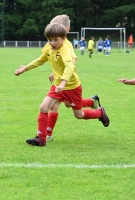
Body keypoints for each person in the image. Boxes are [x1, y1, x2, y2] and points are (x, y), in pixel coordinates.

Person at [14, 23, 110, 147]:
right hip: (58, 86)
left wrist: (63, 82)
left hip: (72, 87)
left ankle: (99, 113)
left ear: (63, 39)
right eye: (49, 40)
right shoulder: (49, 48)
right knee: (43, 107)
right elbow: (39, 60)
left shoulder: (65, 49)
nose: (52, 42)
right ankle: (41, 139)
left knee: (78, 115)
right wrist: (25, 68)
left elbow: (70, 66)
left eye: (55, 40)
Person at [42, 14, 101, 142]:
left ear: (66, 30)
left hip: (67, 82)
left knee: (57, 106)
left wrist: (62, 76)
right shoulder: (53, 42)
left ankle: (48, 134)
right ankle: (92, 102)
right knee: (68, 104)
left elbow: (72, 62)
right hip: (60, 80)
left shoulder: (66, 45)